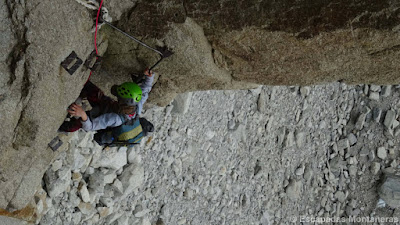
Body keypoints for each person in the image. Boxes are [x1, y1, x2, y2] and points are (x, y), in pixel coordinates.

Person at [59, 69, 155, 145]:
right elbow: (145, 91)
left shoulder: (114, 119)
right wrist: (149, 77)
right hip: (107, 106)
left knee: (75, 124)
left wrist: (82, 114)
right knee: (93, 91)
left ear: (121, 100)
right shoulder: (137, 105)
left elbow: (90, 127)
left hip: (96, 117)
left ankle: (62, 128)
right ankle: (83, 88)